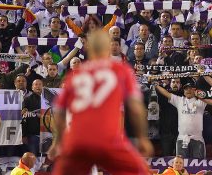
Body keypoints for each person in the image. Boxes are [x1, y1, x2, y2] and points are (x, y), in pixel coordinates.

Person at [47, 30, 153, 175]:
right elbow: (136, 107)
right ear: (107, 48)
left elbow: (58, 111)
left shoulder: (75, 75)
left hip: (77, 140)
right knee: (141, 171)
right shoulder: (120, 70)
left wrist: (57, 142)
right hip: (108, 139)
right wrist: (142, 138)